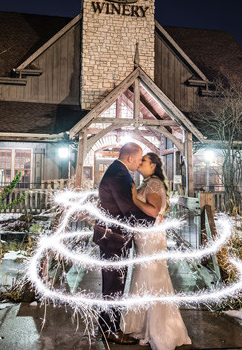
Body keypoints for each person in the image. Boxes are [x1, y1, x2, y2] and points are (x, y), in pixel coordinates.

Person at [122, 152, 192, 350]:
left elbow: (153, 211)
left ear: (153, 165)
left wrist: (135, 198)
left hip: (150, 239)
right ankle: (144, 324)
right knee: (145, 279)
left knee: (151, 279)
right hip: (146, 238)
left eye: (143, 160)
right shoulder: (150, 182)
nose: (139, 162)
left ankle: (160, 330)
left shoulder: (153, 184)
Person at [94, 142, 153, 345]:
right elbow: (127, 207)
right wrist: (153, 222)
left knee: (112, 284)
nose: (139, 163)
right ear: (129, 158)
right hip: (114, 238)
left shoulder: (117, 170)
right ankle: (111, 329)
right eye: (138, 159)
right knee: (114, 285)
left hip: (110, 236)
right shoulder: (120, 175)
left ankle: (105, 323)